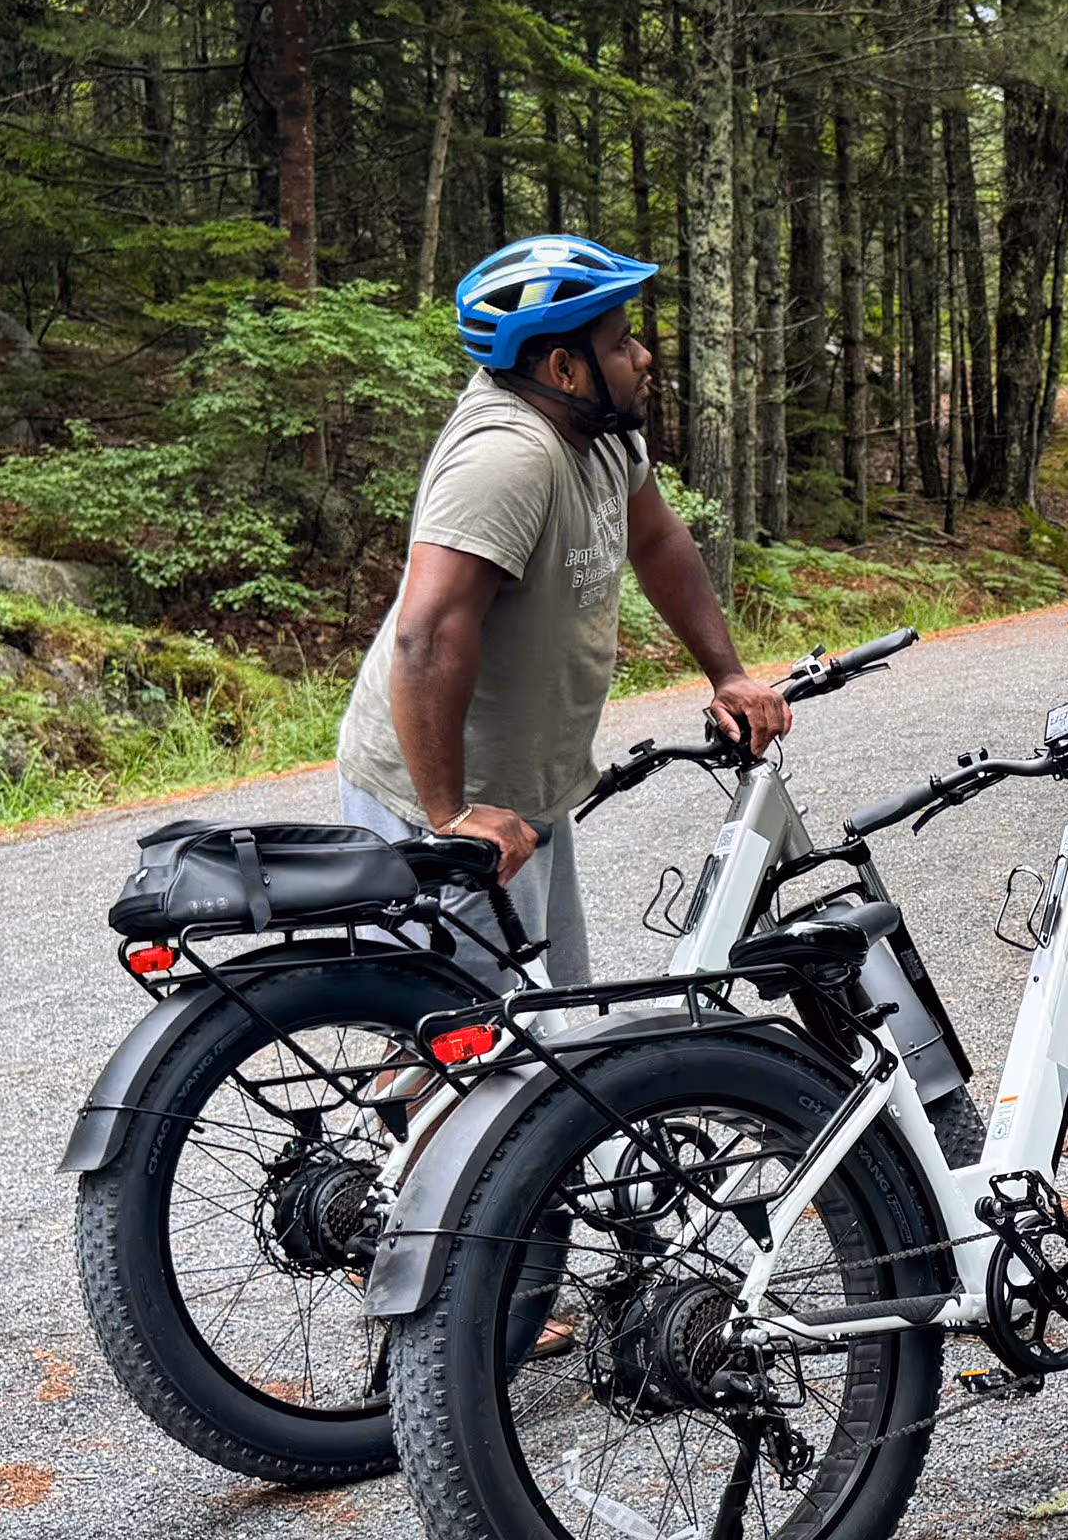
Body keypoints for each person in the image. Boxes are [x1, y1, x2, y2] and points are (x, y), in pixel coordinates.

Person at [336, 235, 788, 984]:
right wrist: (449, 818)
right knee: (461, 1046)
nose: (643, 357)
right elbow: (426, 635)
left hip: (521, 789)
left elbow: (660, 540)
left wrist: (727, 674)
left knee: (537, 1030)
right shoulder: (507, 456)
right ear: (563, 367)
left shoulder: (598, 431)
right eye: (621, 343)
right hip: (442, 796)